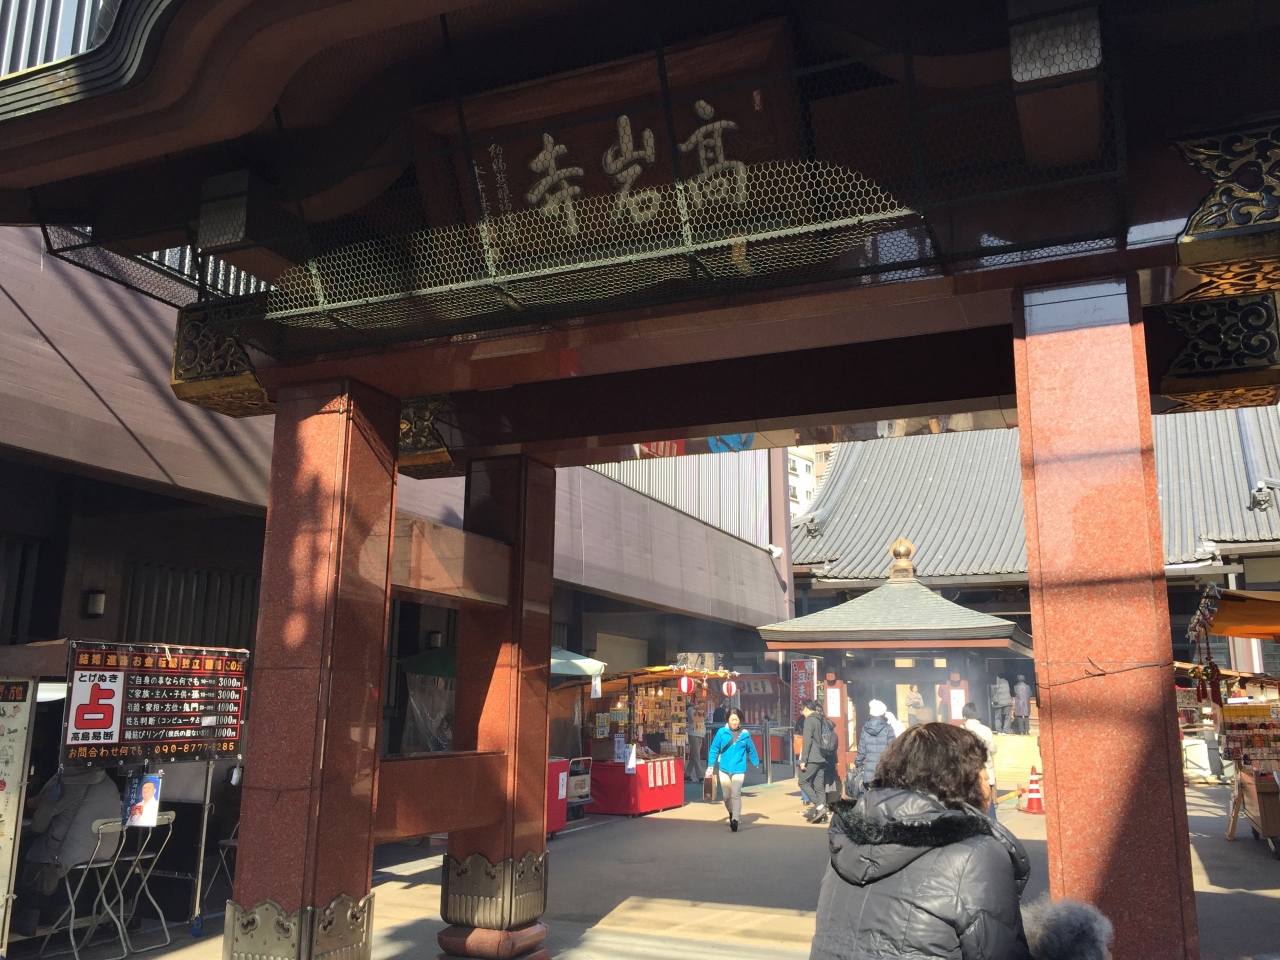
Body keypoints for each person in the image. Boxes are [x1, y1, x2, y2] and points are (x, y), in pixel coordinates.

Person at [810, 723, 1032, 960]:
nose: (988, 782)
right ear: (959, 779)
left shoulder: (845, 845)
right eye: (981, 772)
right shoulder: (975, 856)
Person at [704, 707, 760, 832]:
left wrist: (756, 761)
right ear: (728, 720)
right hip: (723, 769)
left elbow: (751, 749)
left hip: (739, 769)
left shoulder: (745, 735)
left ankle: (735, 819)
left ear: (740, 720)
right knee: (726, 796)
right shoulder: (721, 732)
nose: (734, 722)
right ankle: (731, 811)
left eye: (737, 720)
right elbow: (714, 748)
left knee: (736, 794)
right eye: (732, 719)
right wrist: (710, 764)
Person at [961, 703, 998, 818]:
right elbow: (993, 749)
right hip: (985, 771)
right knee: (987, 805)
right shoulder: (986, 730)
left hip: (967, 773)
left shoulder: (960, 730)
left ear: (964, 715)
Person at [853, 700, 895, 792]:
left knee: (870, 797)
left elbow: (862, 750)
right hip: (883, 772)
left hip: (869, 773)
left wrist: (857, 763)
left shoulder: (865, 728)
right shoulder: (888, 728)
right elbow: (893, 750)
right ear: (883, 713)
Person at [798, 700, 828, 822]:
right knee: (819, 787)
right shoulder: (821, 719)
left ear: (806, 708)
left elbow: (807, 741)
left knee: (802, 781)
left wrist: (803, 760)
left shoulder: (809, 720)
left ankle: (820, 807)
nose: (802, 713)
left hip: (812, 758)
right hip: (823, 757)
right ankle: (822, 816)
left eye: (802, 710)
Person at [684, 699, 706, 782]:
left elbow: (703, 719)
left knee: (695, 756)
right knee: (697, 755)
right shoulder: (690, 709)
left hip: (700, 733)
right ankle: (700, 776)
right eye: (700, 703)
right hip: (693, 734)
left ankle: (687, 774)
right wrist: (697, 709)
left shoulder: (701, 710)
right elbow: (694, 719)